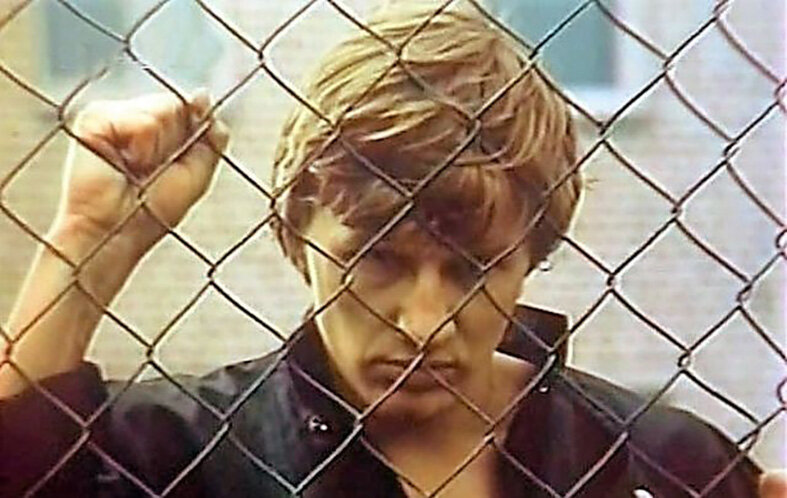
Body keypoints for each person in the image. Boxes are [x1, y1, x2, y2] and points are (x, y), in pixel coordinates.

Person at [0, 3, 773, 498]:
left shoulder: (659, 463)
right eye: (377, 260)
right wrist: (88, 241)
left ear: (530, 258)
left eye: (472, 270)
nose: (424, 322)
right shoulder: (184, 452)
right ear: (297, 236)